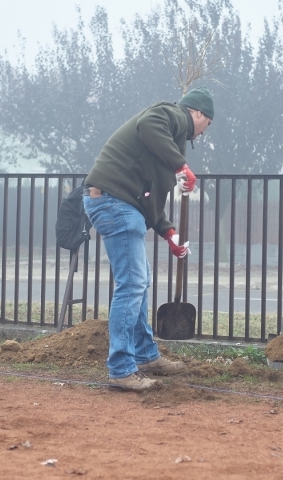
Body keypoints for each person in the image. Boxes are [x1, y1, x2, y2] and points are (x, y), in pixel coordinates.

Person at [83, 87, 214, 391]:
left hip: (121, 204)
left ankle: (144, 354)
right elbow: (149, 123)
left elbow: (151, 202)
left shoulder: (165, 147)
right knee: (133, 283)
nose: (204, 132)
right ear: (198, 113)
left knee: (140, 280)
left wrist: (170, 233)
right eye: (207, 124)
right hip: (114, 202)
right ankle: (121, 368)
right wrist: (182, 165)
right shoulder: (173, 114)